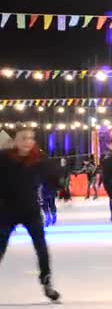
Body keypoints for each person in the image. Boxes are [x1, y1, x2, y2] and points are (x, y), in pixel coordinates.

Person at [0, 127, 61, 301]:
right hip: (6, 211)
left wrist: (60, 187)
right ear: (15, 141)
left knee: (41, 247)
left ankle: (47, 283)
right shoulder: (3, 159)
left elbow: (52, 177)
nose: (28, 141)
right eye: (23, 138)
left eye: (31, 138)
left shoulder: (39, 160)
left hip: (30, 211)